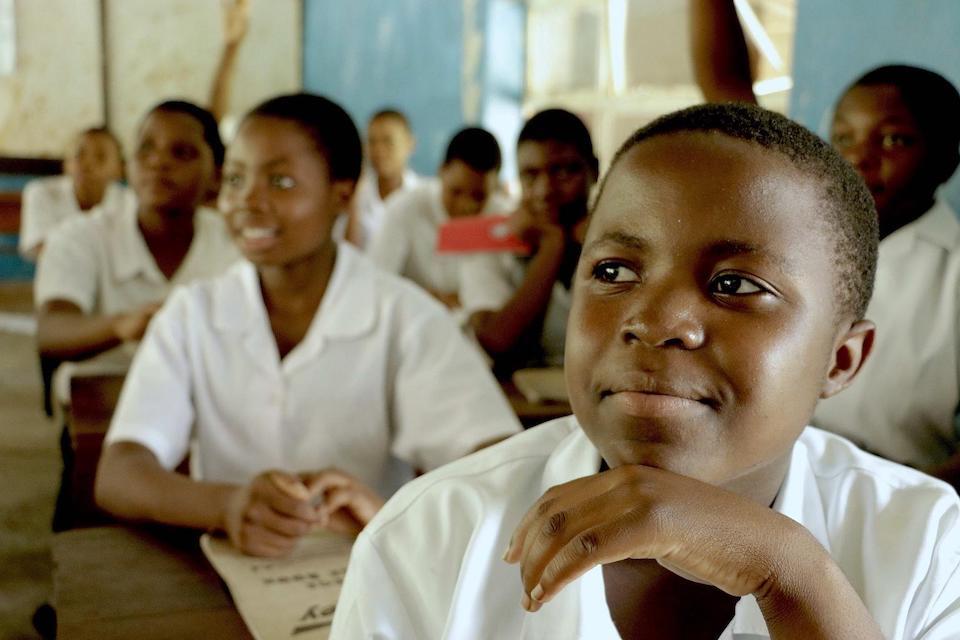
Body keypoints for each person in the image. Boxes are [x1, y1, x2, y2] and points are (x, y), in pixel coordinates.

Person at [332, 103, 960, 638]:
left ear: (840, 360)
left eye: (735, 283)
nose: (653, 320)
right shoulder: (429, 539)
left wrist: (790, 575)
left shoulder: (928, 546)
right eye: (613, 272)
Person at [94, 93, 522, 557]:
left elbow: (501, 463)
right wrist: (228, 505)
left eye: (279, 181)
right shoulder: (192, 313)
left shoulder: (404, 316)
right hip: (227, 577)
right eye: (236, 179)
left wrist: (390, 517)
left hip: (366, 578)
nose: (247, 203)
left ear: (342, 192)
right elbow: (119, 473)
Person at [688, 0, 960, 482]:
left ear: (945, 158)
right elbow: (728, 97)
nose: (861, 158)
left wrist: (904, 510)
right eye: (844, 137)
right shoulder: (798, 228)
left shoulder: (952, 272)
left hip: (904, 503)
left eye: (893, 140)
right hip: (768, 487)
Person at [34, 101, 238, 364]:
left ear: (217, 176)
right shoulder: (80, 235)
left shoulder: (234, 241)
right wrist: (121, 326)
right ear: (127, 164)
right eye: (146, 148)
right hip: (104, 393)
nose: (158, 161)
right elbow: (51, 332)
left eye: (182, 153)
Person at [459, 109, 598, 374]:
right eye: (530, 175)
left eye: (562, 171)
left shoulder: (623, 245)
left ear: (594, 169)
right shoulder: (492, 247)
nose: (545, 190)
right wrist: (552, 246)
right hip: (518, 411)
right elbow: (498, 343)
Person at [369, 126, 510, 309]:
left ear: (495, 186)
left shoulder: (502, 220)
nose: (466, 206)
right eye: (456, 192)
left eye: (479, 197)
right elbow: (376, 281)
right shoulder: (404, 208)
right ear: (441, 171)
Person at [18, 127, 126, 260]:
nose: (88, 164)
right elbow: (42, 249)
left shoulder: (128, 201)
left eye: (100, 157)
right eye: (79, 154)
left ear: (119, 169)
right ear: (66, 163)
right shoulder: (41, 192)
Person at [342, 109, 419, 248]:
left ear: (410, 144)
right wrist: (354, 202)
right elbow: (347, 253)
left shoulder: (421, 195)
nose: (379, 151)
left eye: (387, 141)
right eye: (372, 142)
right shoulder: (356, 193)